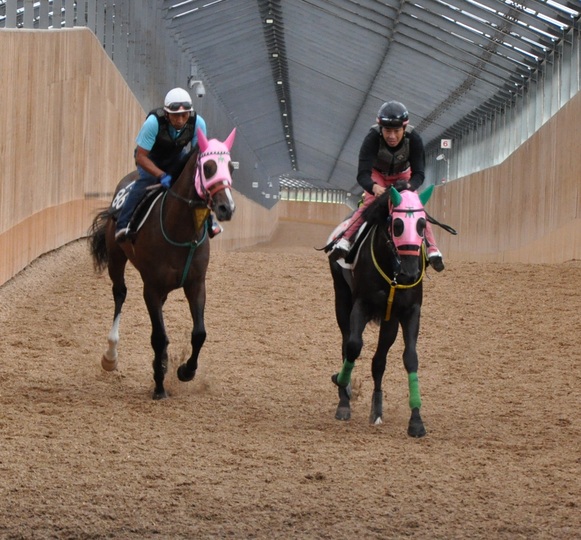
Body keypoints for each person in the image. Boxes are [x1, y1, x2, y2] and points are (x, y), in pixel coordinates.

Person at [334, 101, 444, 272]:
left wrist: (409, 186)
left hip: (403, 176)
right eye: (387, 131)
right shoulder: (372, 138)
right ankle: (345, 239)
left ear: (404, 128)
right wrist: (373, 187)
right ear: (381, 129)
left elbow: (419, 174)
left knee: (415, 207)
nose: (392, 136)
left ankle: (432, 249)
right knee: (369, 204)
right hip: (377, 175)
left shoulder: (414, 139)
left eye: (396, 131)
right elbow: (362, 174)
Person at [115, 87, 221, 243]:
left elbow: (198, 156)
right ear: (166, 114)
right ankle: (123, 224)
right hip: (151, 159)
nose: (180, 120)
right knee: (147, 181)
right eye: (175, 116)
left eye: (184, 115)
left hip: (176, 158)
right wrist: (161, 175)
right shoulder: (153, 123)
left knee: (195, 183)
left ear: (189, 113)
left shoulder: (198, 123)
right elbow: (140, 157)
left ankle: (209, 221)